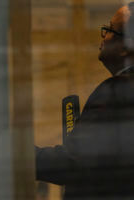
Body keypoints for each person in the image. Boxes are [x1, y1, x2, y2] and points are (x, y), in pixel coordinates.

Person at [36, 2, 134, 199]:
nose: (103, 37)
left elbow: (72, 163)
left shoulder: (117, 92)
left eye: (109, 30)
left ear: (127, 47)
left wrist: (11, 149)